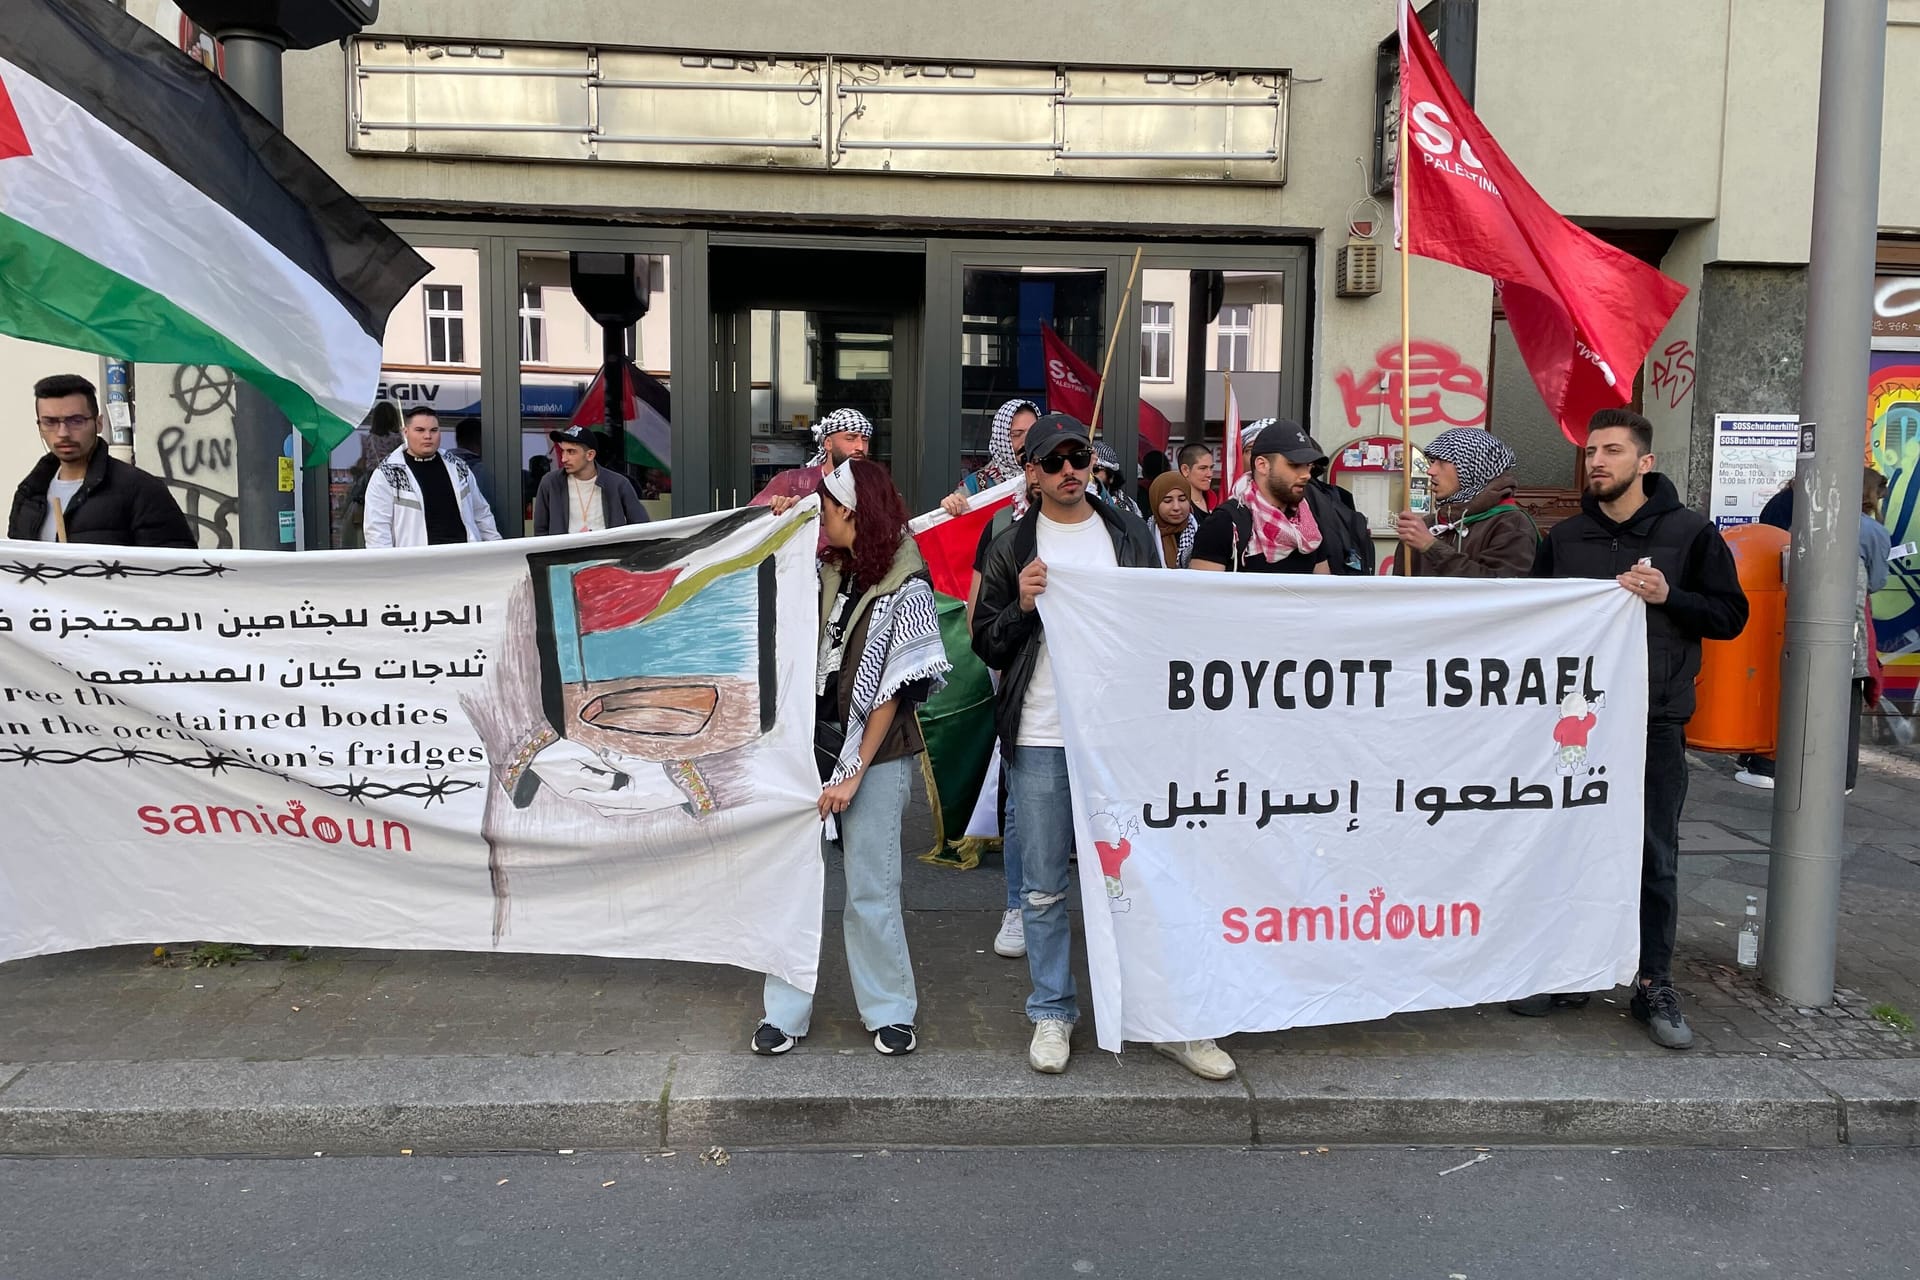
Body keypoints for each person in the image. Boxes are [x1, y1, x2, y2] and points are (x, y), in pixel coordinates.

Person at [972, 412, 1235, 1081]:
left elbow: (1156, 625)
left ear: (1093, 463)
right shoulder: (1009, 541)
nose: (1068, 470)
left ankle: (1172, 1019)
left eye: (1078, 457)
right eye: (1053, 460)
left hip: (1123, 740)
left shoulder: (1124, 533)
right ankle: (1053, 1011)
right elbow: (985, 641)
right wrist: (1022, 606)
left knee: (1150, 878)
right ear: (1030, 471)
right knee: (1042, 887)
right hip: (1041, 737)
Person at [1527, 408, 1748, 1049]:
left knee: (1653, 855)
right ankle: (1572, 967)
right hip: (1575, 727)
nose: (1597, 461)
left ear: (1644, 463)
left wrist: (1668, 596)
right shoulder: (1565, 538)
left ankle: (1653, 981)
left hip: (1654, 722)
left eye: (1613, 451)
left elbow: (1729, 616)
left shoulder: (1691, 533)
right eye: (1592, 451)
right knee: (1568, 844)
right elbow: (1532, 619)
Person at [753, 459, 950, 1058]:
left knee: (872, 887)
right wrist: (777, 526)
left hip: (877, 754)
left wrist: (852, 773)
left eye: (829, 508)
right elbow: (764, 585)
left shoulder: (906, 583)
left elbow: (890, 692)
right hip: (806, 748)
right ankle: (782, 1014)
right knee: (792, 884)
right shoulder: (824, 568)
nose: (823, 516)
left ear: (853, 514)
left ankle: (891, 1010)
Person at [1738, 466, 1892, 792]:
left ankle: (1773, 764)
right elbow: (1877, 582)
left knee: (1794, 691)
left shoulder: (1806, 521)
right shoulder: (1872, 531)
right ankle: (1843, 778)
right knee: (1845, 700)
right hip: (1849, 629)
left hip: (1795, 618)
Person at [9, 373, 193, 547]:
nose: (63, 433)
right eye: (50, 422)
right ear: (39, 427)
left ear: (98, 423)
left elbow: (175, 570)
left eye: (76, 420)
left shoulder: (140, 490)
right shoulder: (29, 494)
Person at [1189, 419, 1370, 575]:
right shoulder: (1225, 523)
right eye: (1295, 465)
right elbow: (1204, 601)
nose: (1306, 474)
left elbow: (1320, 595)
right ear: (1262, 465)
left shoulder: (1310, 525)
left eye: (1308, 466)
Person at [1392, 427, 1537, 577]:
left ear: (1472, 466)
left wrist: (1431, 547)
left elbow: (1498, 589)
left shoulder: (1511, 524)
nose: (1430, 471)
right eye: (1432, 462)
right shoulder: (1426, 526)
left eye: (1441, 462)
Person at [362, 406, 502, 549]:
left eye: (433, 430)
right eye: (420, 430)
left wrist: (498, 551)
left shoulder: (457, 466)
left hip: (464, 560)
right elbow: (377, 530)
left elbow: (481, 514)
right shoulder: (387, 474)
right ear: (406, 432)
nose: (428, 436)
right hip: (418, 565)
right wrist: (388, 569)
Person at [531, 425, 649, 537]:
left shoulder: (617, 483)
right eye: (563, 451)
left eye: (571, 452)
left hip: (607, 556)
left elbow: (640, 525)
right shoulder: (551, 483)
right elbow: (541, 530)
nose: (563, 458)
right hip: (565, 556)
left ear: (590, 455)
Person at [751, 407, 872, 508]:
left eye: (865, 440)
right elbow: (748, 523)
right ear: (828, 443)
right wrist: (776, 508)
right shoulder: (791, 481)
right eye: (850, 438)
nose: (860, 447)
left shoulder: (875, 486)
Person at [941, 398, 1039, 518]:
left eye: (1034, 432)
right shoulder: (975, 485)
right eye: (1017, 434)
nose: (1026, 441)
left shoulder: (1051, 476)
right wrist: (949, 507)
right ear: (1002, 438)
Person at [1148, 469, 1198, 569]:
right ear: (1155, 503)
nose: (1176, 507)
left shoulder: (1201, 535)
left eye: (1182, 499)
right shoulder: (1144, 537)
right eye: (1167, 501)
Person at [1091, 440, 1142, 518]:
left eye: (1095, 470)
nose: (1089, 474)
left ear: (1111, 477)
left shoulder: (1126, 507)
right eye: (1084, 469)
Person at [1177, 441, 1216, 516]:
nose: (1210, 474)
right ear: (1185, 470)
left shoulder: (1216, 501)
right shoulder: (1177, 507)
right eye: (1203, 468)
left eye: (1211, 468)